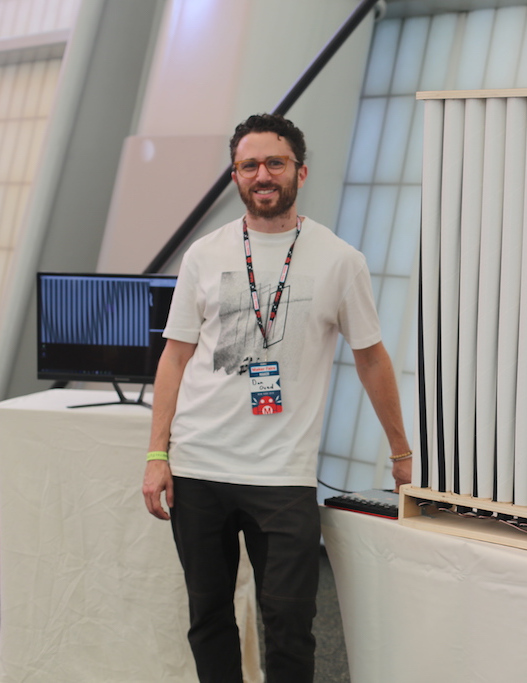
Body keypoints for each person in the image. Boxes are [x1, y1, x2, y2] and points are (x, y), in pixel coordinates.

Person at [141, 113, 412, 683]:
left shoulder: (340, 260)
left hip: (283, 474)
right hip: (198, 467)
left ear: (300, 171)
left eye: (274, 163)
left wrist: (401, 453)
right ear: (236, 176)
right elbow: (175, 356)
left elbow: (371, 358)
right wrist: (156, 454)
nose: (262, 174)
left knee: (291, 624)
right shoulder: (204, 254)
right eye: (249, 165)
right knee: (208, 617)